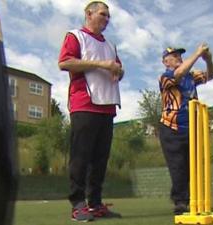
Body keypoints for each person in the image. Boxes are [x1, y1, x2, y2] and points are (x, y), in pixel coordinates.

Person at [58, 1, 123, 222]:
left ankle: (95, 204)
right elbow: (65, 63)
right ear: (89, 14)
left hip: (108, 106)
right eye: (102, 14)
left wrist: (117, 71)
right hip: (84, 103)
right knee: (81, 157)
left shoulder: (111, 45)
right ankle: (77, 204)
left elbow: (118, 69)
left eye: (108, 16)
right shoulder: (76, 36)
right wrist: (103, 65)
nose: (106, 19)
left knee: (100, 159)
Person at [158, 43, 213, 215]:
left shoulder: (190, 76)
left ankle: (189, 198)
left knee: (191, 166)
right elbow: (178, 74)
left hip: (191, 126)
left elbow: (210, 76)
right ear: (165, 61)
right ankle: (180, 201)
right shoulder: (165, 76)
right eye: (174, 56)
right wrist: (197, 54)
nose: (178, 58)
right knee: (177, 166)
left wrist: (209, 60)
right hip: (171, 127)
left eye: (179, 55)